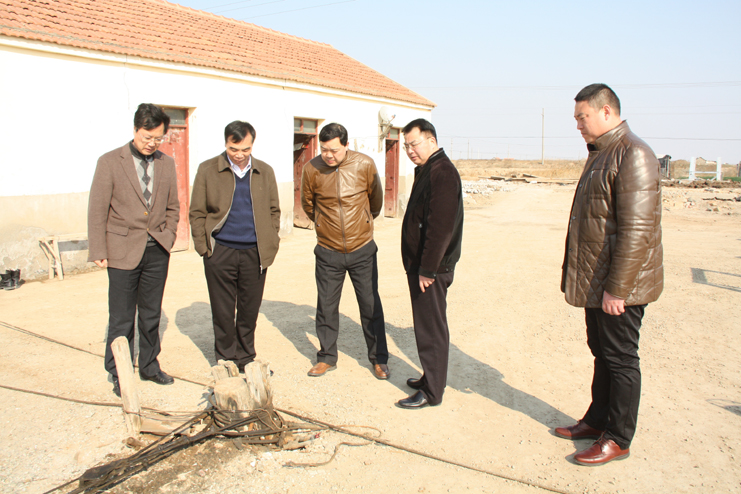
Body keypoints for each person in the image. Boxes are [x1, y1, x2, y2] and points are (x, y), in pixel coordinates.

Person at [555, 84, 663, 465]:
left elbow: (637, 230)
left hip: (620, 287)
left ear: (606, 112)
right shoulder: (602, 152)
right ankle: (597, 420)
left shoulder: (633, 154)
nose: (578, 126)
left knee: (620, 359)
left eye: (582, 118)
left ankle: (618, 437)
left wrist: (617, 289)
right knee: (601, 352)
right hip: (597, 282)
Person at [88, 103, 180, 397]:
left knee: (151, 314)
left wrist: (168, 236)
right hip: (121, 249)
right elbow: (97, 208)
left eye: (158, 138)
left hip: (157, 250)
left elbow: (173, 206)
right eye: (146, 137)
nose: (152, 143)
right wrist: (98, 248)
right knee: (122, 317)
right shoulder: (110, 161)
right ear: (135, 129)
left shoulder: (166, 163)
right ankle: (120, 372)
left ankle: (150, 366)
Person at [189, 121, 281, 372]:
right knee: (222, 309)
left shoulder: (265, 171)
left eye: (245, 149)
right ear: (225, 143)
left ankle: (246, 358)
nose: (239, 155)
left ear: (252, 145)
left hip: (255, 252)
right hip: (220, 251)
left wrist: (271, 240)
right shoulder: (207, 169)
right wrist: (204, 247)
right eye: (233, 149)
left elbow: (274, 210)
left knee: (249, 309)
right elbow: (197, 211)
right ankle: (226, 360)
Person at [301, 123, 389, 380]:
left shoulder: (364, 164)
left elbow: (375, 201)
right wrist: (323, 224)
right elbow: (308, 204)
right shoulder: (311, 169)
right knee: (326, 306)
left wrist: (362, 222)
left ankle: (379, 359)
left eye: (334, 150)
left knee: (370, 305)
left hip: (362, 248)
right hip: (328, 251)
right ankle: (326, 357)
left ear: (346, 145)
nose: (329, 155)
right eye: (324, 150)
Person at [396, 118, 463, 409]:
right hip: (424, 265)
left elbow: (441, 227)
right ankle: (429, 377)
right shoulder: (429, 169)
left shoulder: (442, 172)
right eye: (406, 146)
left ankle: (432, 392)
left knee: (431, 329)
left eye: (414, 144)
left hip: (431, 269)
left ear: (431, 141)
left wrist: (427, 269)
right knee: (426, 326)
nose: (410, 150)